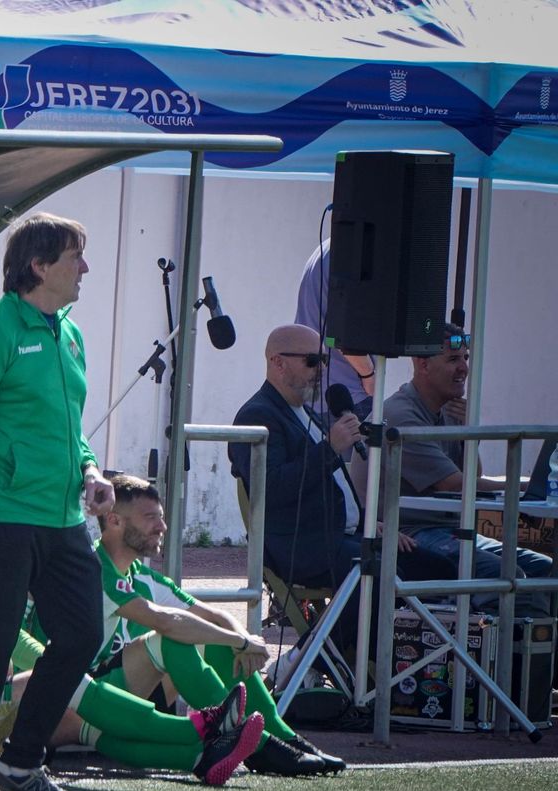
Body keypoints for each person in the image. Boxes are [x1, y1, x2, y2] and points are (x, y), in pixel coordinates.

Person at [0, 458, 266, 787]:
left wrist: (239, 639)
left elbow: (8, 634)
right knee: (95, 680)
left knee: (95, 714)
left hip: (42, 696)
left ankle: (208, 752)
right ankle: (209, 731)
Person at [0, 212, 113, 791]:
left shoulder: (70, 333)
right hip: (1, 514)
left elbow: (68, 429)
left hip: (62, 516)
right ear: (38, 266)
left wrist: (91, 472)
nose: (84, 267)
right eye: (74, 257)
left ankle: (21, 763)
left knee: (83, 634)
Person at [70, 474, 342, 775]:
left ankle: (284, 737)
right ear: (114, 521)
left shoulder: (142, 576)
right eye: (150, 518)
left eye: (161, 518)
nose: (162, 527)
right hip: (82, 696)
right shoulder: (93, 568)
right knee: (174, 637)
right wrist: (238, 642)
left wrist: (242, 641)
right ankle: (257, 745)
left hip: (123, 690)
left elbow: (212, 616)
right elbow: (165, 621)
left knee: (208, 634)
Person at [229, 324, 440, 658]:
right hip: (300, 544)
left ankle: (408, 669)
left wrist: (368, 525)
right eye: (312, 361)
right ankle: (308, 663)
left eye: (324, 361)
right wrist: (329, 448)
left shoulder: (306, 412)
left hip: (337, 535)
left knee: (434, 567)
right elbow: (271, 487)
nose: (322, 371)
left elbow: (334, 486)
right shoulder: (258, 415)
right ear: (278, 362)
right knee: (377, 571)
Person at [387, 326, 553, 616]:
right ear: (423, 364)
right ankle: (502, 657)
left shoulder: (445, 410)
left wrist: (467, 434)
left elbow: (472, 475)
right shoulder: (403, 415)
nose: (464, 368)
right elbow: (456, 484)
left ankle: (537, 655)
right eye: (453, 359)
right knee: (504, 574)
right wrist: (527, 485)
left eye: (465, 357)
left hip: (449, 530)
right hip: (410, 533)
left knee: (545, 569)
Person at [295, 240, 374, 420]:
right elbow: (340, 332)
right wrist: (369, 376)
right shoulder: (352, 251)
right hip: (349, 396)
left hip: (317, 395)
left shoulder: (326, 249)